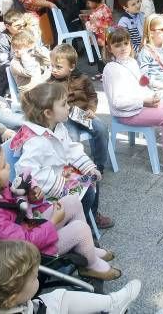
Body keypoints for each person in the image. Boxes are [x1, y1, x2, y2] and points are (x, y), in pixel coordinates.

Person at [0, 142, 120, 281]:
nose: (9, 166)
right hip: (31, 253)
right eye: (3, 166)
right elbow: (24, 243)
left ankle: (86, 249)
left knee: (72, 202)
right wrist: (53, 222)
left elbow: (18, 202)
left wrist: (33, 196)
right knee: (80, 229)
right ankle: (89, 266)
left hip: (30, 228)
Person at [8, 82, 106, 243]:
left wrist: (88, 168)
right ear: (48, 113)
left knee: (93, 178)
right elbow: (28, 173)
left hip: (61, 173)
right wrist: (61, 185)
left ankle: (89, 218)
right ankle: (76, 228)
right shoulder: (35, 140)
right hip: (45, 188)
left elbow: (71, 149)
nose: (69, 107)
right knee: (87, 192)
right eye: (63, 104)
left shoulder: (57, 125)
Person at [102, 27, 163, 179]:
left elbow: (141, 85)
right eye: (117, 45)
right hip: (127, 113)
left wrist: (151, 96)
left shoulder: (131, 62)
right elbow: (117, 102)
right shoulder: (111, 69)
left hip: (139, 105)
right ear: (109, 48)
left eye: (125, 43)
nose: (123, 48)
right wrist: (143, 100)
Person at [0, 240, 140, 313]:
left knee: (60, 297)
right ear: (12, 297)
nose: (38, 278)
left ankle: (113, 303)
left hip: (34, 308)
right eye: (35, 277)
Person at [49, 44, 114, 229]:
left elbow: (92, 96)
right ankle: (78, 168)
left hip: (84, 113)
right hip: (66, 118)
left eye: (58, 66)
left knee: (101, 129)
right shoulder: (50, 84)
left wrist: (92, 110)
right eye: (52, 65)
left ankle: (99, 166)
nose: (53, 69)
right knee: (72, 138)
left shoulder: (83, 78)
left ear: (72, 66)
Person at [0, 9, 25, 96]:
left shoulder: (22, 33)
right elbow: (4, 64)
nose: (22, 28)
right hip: (8, 78)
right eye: (18, 26)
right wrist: (21, 69)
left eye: (24, 25)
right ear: (7, 26)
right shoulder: (1, 42)